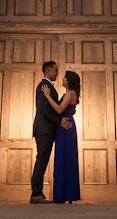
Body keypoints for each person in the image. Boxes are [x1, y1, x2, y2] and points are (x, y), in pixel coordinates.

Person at [30, 61, 72, 204]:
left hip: (46, 130)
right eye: (55, 71)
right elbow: (44, 110)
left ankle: (37, 192)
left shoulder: (47, 86)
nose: (57, 73)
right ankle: (36, 193)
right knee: (41, 160)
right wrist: (59, 121)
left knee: (42, 160)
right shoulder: (44, 86)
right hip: (44, 130)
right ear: (48, 71)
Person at [40, 70, 81, 204]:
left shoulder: (70, 94)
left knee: (66, 159)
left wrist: (47, 96)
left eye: (64, 78)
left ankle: (66, 194)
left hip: (66, 128)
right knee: (63, 159)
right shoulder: (69, 93)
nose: (61, 79)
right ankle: (64, 195)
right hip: (63, 128)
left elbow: (58, 109)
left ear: (68, 81)